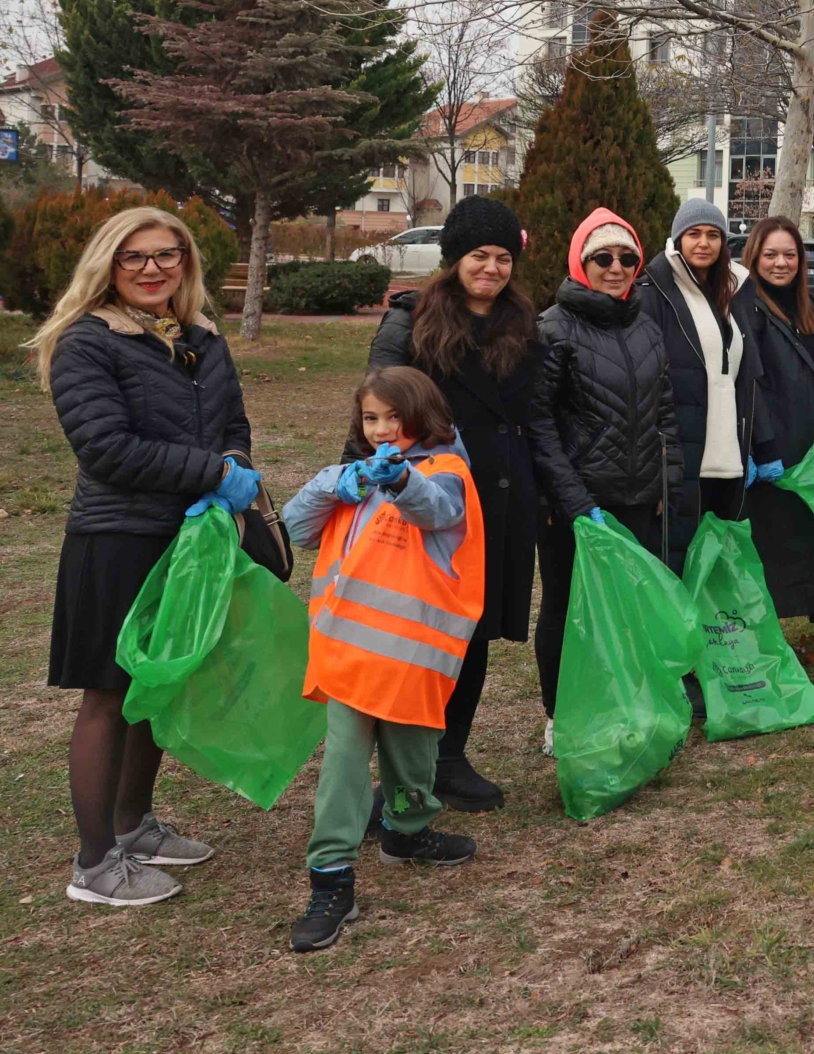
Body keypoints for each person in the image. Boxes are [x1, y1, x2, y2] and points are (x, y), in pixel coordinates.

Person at [38, 206, 251, 907]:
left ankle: (133, 827)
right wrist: (213, 473)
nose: (152, 268)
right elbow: (106, 448)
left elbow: (233, 422)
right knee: (108, 694)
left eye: (167, 254)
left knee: (153, 688)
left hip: (184, 541)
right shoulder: (87, 341)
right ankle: (95, 864)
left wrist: (234, 462)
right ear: (109, 264)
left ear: (186, 262)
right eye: (134, 256)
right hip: (116, 539)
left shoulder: (201, 337)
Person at [352, 194, 593, 813]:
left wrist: (558, 494)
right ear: (455, 256)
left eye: (503, 257)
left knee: (472, 630)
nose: (492, 268)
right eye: (480, 255)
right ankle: (403, 771)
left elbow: (536, 417)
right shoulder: (412, 321)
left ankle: (449, 758)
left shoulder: (524, 324)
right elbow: (375, 410)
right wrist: (366, 483)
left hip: (501, 501)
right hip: (427, 498)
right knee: (421, 633)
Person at [282, 368, 483, 952]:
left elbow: (436, 509)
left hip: (412, 658)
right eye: (371, 418)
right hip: (349, 653)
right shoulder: (355, 477)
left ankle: (407, 832)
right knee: (344, 763)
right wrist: (336, 483)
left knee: (412, 751)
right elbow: (297, 527)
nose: (383, 429)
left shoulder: (447, 472)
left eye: (395, 417)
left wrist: (399, 481)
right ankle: (331, 878)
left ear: (424, 414)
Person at [532, 207, 679, 732]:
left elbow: (665, 411)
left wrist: (666, 483)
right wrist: (570, 500)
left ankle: (621, 704)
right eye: (603, 258)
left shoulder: (646, 326)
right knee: (565, 606)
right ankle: (560, 715)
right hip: (576, 502)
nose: (616, 268)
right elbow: (539, 424)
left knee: (625, 608)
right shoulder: (552, 328)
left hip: (636, 495)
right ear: (580, 262)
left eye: (627, 258)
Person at [639, 197, 768, 556]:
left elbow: (746, 375)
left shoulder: (736, 290)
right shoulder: (654, 293)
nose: (703, 243)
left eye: (713, 235)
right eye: (693, 234)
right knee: (678, 558)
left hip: (729, 458)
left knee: (717, 562)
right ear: (677, 239)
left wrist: (755, 444)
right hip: (681, 455)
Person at [732, 215, 814, 623]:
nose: (781, 263)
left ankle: (798, 613)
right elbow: (748, 381)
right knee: (769, 539)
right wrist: (760, 447)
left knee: (802, 534)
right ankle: (764, 626)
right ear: (754, 257)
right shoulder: (744, 308)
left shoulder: (810, 307)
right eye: (770, 255)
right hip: (770, 445)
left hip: (809, 445)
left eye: (789, 254)